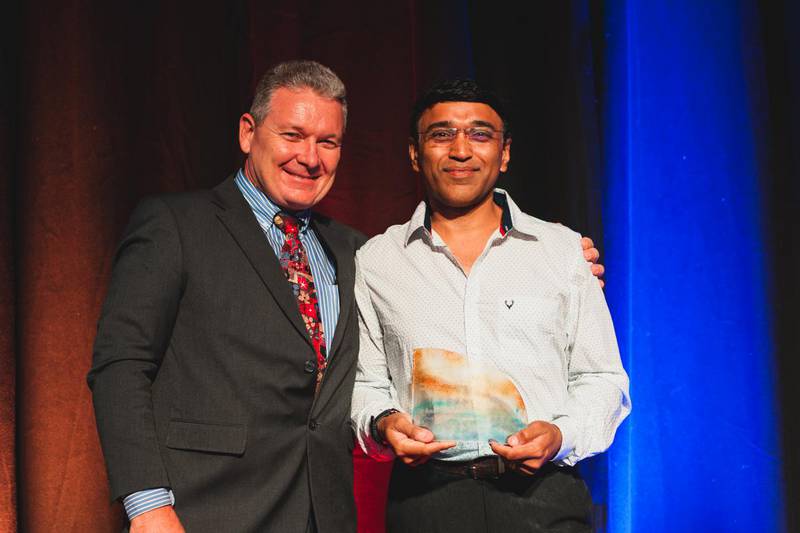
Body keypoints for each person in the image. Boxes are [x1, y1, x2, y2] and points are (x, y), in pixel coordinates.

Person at [88, 60, 365, 533]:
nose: (310, 157)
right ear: (247, 133)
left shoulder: (354, 249)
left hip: (325, 516)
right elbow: (122, 365)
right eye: (292, 135)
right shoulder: (175, 225)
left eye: (328, 142)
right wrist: (148, 504)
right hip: (202, 512)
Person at [350, 79, 630, 532]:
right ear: (414, 153)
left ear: (504, 153)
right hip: (425, 502)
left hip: (545, 498)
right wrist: (383, 423)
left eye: (480, 134)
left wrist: (561, 435)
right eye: (441, 134)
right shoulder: (379, 261)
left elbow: (601, 378)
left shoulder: (560, 251)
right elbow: (365, 383)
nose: (461, 149)